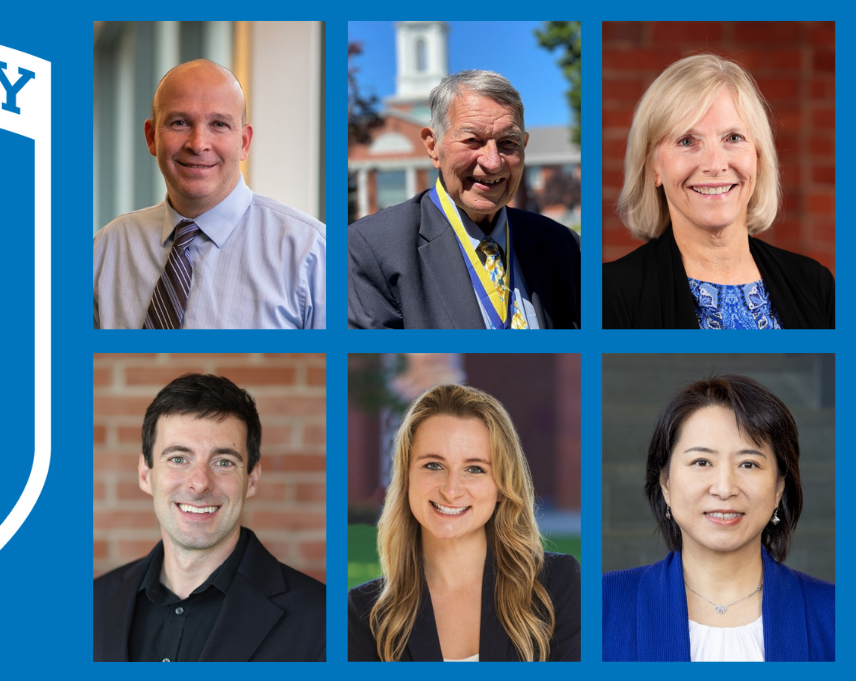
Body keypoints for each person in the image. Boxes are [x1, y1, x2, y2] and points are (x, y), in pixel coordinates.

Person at [93, 374, 326, 661]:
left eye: (223, 462)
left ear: (251, 478)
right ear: (145, 474)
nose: (200, 483)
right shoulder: (93, 603)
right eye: (179, 458)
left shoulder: (323, 619)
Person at [603, 375, 835, 661]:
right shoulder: (602, 605)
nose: (725, 489)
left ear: (778, 488)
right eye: (702, 462)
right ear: (665, 483)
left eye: (748, 464)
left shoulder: (835, 614)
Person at [348, 384, 580, 661]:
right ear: (406, 478)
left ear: (501, 486)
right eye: (433, 465)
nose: (451, 489)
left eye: (474, 469)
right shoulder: (362, 613)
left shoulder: (555, 585)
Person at [604, 54, 834, 329]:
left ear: (758, 157)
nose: (715, 165)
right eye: (687, 140)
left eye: (733, 138)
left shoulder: (816, 284)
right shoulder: (609, 293)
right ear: (653, 167)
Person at [93, 59, 326, 329]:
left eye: (218, 124)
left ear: (244, 142)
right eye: (180, 122)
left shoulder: (311, 253)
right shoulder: (108, 247)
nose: (198, 144)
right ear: (151, 137)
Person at [348, 70, 580, 329]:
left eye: (507, 142)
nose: (492, 163)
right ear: (432, 146)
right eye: (472, 141)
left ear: (524, 146)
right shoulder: (372, 250)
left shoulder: (564, 247)